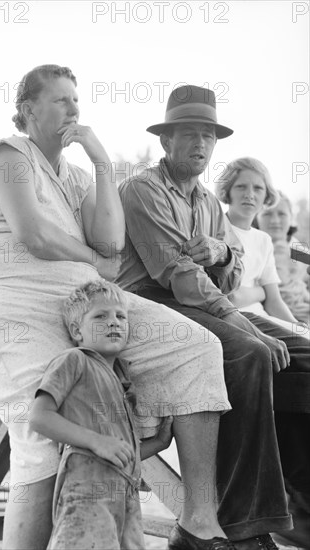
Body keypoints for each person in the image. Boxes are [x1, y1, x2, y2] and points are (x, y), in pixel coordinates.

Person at [0, 66, 233, 550]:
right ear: (28, 110)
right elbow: (35, 234)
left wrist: (103, 163)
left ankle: (197, 520)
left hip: (88, 300)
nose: (74, 109)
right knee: (43, 436)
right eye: (61, 100)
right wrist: (92, 259)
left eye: (77, 100)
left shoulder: (78, 174)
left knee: (196, 347)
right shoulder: (8, 155)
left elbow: (111, 240)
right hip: (16, 303)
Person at [116, 84, 310, 550]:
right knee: (247, 353)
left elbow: (228, 275)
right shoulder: (143, 189)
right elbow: (179, 278)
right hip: (150, 302)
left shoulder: (205, 202)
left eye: (208, 135)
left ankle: (300, 504)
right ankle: (245, 520)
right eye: (188, 133)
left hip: (202, 302)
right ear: (166, 141)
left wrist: (222, 253)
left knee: (304, 356)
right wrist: (241, 320)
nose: (200, 144)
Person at [30, 280, 173, 549]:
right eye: (100, 316)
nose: (113, 322)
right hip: (86, 486)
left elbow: (119, 454)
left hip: (125, 494)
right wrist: (96, 441)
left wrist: (159, 444)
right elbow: (40, 417)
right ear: (77, 331)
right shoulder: (74, 360)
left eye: (121, 316)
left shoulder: (122, 379)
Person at [214, 157, 308, 337]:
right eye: (241, 186)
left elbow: (274, 300)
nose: (249, 194)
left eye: (258, 188)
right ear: (228, 191)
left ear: (266, 195)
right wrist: (261, 291)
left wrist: (299, 327)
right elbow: (230, 297)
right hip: (236, 320)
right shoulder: (216, 229)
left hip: (264, 317)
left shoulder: (265, 241)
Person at [255, 190, 310, 325]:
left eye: (282, 214)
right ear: (256, 217)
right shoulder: (254, 247)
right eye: (267, 213)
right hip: (278, 317)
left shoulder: (296, 249)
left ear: (291, 218)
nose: (275, 221)